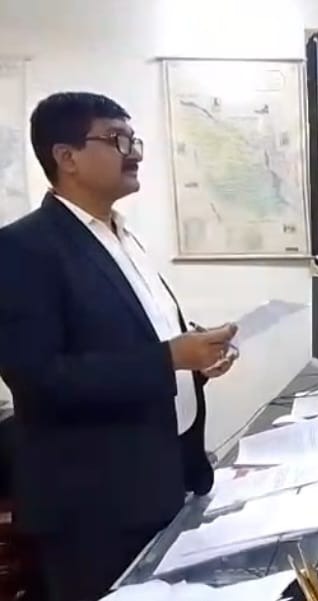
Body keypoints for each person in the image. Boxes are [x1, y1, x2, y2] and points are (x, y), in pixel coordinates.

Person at [0, 92, 239, 601]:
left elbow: (131, 338)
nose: (135, 153)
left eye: (135, 140)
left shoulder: (123, 237)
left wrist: (197, 358)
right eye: (118, 139)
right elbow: (39, 378)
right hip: (95, 508)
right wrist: (170, 357)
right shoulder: (22, 248)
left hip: (164, 479)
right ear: (66, 157)